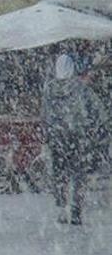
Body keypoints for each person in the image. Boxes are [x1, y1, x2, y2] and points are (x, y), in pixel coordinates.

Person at [42, 54, 102, 225]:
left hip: (56, 137)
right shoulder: (81, 88)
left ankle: (61, 209)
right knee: (78, 174)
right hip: (77, 137)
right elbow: (96, 111)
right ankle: (75, 210)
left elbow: (44, 114)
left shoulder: (49, 88)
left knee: (59, 173)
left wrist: (48, 132)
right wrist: (94, 129)